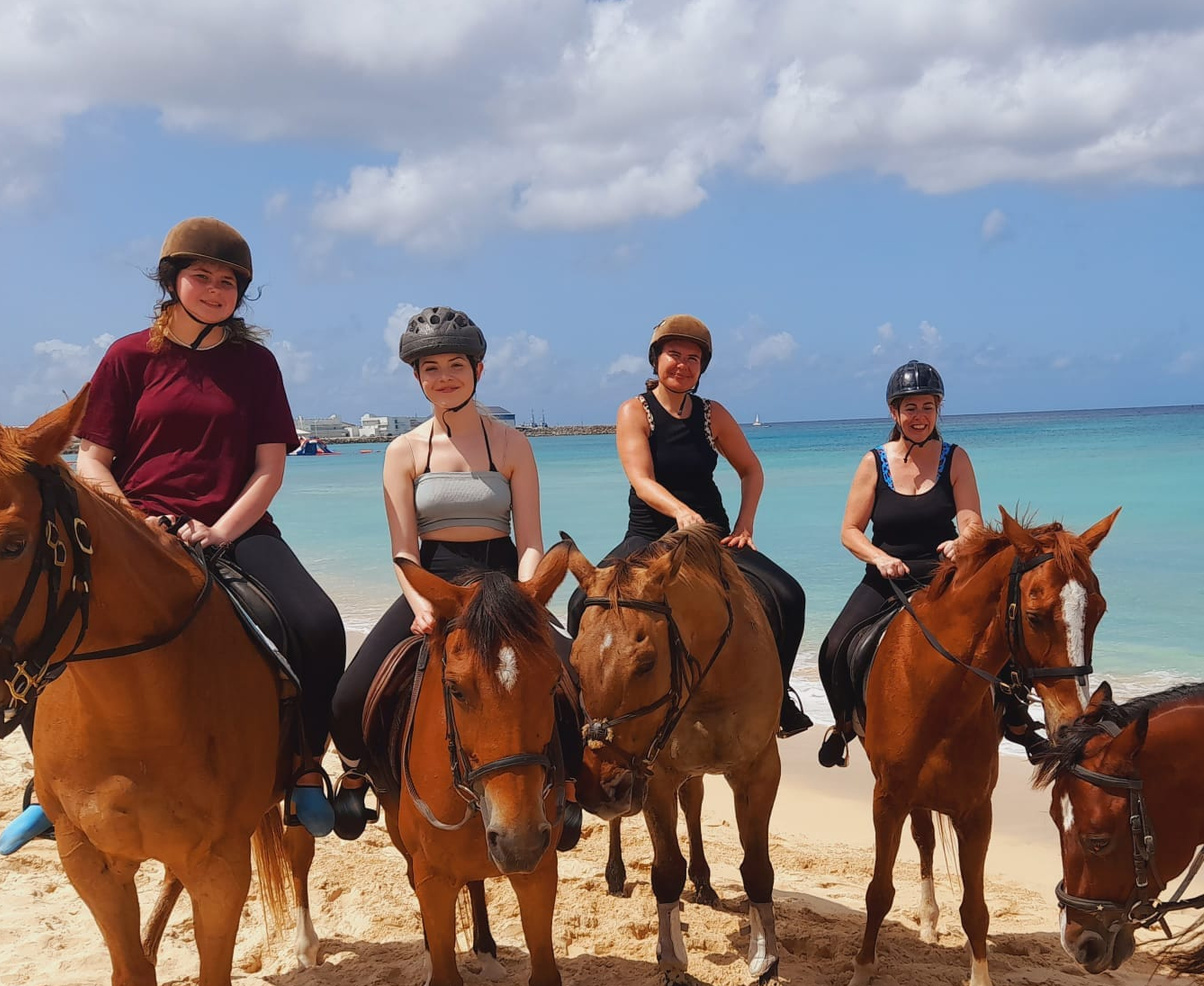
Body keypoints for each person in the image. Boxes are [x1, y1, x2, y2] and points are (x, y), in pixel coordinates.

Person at [0, 217, 346, 851]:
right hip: (134, 528)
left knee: (319, 625)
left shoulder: (257, 365)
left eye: (227, 281)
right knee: (42, 626)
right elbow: (92, 461)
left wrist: (220, 530)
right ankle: (48, 784)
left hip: (234, 525)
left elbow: (270, 468)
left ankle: (302, 767)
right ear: (172, 282)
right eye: (201, 277)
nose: (214, 290)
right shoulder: (129, 356)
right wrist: (134, 521)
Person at [328, 307, 582, 846]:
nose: (444, 377)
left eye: (456, 366)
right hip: (434, 585)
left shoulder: (512, 445)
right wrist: (422, 605)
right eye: (431, 368)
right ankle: (356, 775)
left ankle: (571, 786)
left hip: (506, 583)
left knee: (571, 679)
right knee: (350, 695)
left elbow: (530, 538)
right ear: (417, 378)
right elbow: (403, 549)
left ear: (478, 371)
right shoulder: (403, 451)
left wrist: (528, 597)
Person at [566, 314, 812, 736]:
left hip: (710, 537)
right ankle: (585, 705)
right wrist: (679, 511)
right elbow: (642, 481)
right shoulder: (634, 410)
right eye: (673, 354)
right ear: (656, 360)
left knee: (790, 596)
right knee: (580, 603)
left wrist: (745, 525)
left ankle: (780, 700)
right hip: (649, 535)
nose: (682, 365)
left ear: (702, 368)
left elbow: (751, 470)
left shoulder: (713, 414)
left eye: (692, 359)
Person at [814, 360, 982, 768]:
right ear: (894, 412)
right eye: (910, 408)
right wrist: (880, 558)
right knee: (833, 647)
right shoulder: (874, 462)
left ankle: (1016, 721)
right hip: (886, 577)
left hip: (943, 575)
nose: (919, 416)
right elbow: (850, 531)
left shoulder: (956, 458)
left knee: (998, 637)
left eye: (927, 407)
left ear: (938, 409)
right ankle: (843, 725)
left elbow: (973, 523)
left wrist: (962, 544)